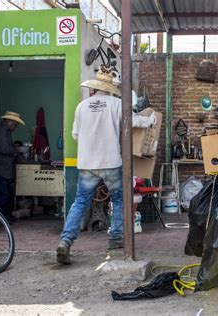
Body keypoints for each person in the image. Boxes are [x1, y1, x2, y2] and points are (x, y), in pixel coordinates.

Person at [56, 67, 157, 265]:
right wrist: (152, 120)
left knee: (80, 202)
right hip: (110, 162)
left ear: (94, 89)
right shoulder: (117, 104)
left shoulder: (82, 106)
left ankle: (65, 241)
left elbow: (76, 135)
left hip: (86, 163)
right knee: (119, 200)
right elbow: (135, 121)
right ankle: (115, 238)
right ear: (111, 88)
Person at [0, 111, 25, 222]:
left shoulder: (5, 130)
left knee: (5, 195)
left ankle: (3, 218)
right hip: (0, 168)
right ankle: (0, 220)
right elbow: (3, 149)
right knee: (2, 195)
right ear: (9, 121)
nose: (16, 126)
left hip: (5, 168)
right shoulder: (0, 130)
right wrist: (17, 149)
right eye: (15, 124)